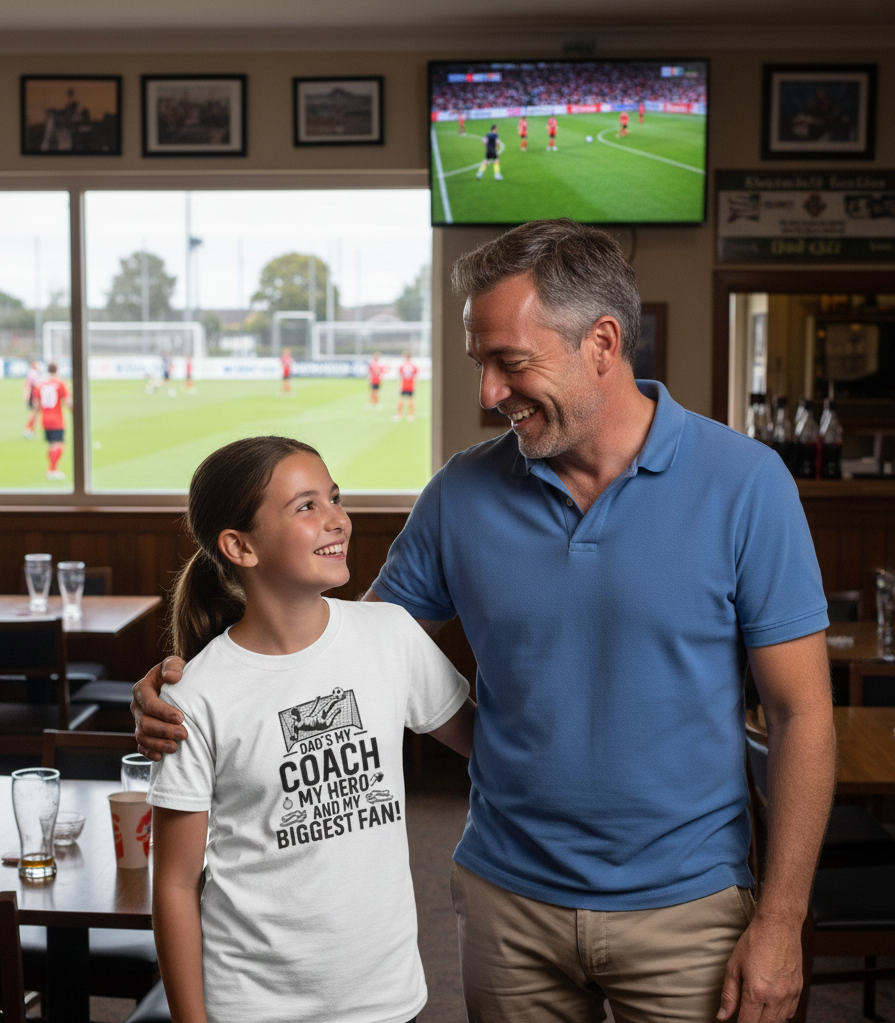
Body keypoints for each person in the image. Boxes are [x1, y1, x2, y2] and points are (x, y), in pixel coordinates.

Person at [133, 220, 836, 1023]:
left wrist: (781, 919)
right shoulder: (459, 493)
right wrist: (183, 687)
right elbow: (334, 654)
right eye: (480, 363)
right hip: (507, 907)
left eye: (511, 362)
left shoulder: (746, 484)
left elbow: (799, 713)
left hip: (688, 908)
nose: (487, 394)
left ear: (601, 343)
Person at [147, 435, 474, 1023]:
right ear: (240, 546)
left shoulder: (390, 635)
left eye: (335, 498)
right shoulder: (195, 696)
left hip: (385, 998)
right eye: (306, 506)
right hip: (250, 1004)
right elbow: (173, 885)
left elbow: (489, 746)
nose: (338, 520)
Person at [38, 361, 71, 480]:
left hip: (45, 419)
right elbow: (68, 402)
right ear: (57, 370)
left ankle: (52, 469)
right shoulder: (60, 383)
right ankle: (52, 469)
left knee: (52, 445)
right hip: (57, 419)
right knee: (59, 445)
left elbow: (37, 404)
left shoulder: (41, 384)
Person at [392, 351, 418, 422]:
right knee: (411, 399)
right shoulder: (413, 365)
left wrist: (399, 385)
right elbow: (415, 376)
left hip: (404, 384)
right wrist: (415, 385)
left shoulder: (402, 365)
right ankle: (411, 415)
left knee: (401, 399)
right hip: (411, 384)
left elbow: (400, 376)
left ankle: (399, 414)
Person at [22, 359, 42, 439]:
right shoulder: (33, 373)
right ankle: (29, 429)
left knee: (36, 413)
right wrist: (27, 394)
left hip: (34, 395)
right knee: (35, 412)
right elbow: (29, 384)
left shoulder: (33, 373)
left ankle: (31, 429)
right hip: (34, 395)